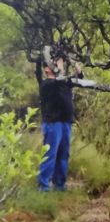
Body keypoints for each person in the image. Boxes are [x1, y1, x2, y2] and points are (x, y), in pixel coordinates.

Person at [37, 56, 83, 192]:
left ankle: (60, 185)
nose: (57, 66)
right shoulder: (46, 85)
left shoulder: (64, 82)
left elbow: (78, 79)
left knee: (63, 155)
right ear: (46, 69)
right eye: (54, 64)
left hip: (66, 122)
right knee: (50, 154)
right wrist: (61, 68)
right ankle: (43, 186)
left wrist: (77, 68)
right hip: (53, 123)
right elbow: (56, 82)